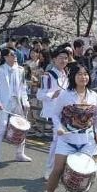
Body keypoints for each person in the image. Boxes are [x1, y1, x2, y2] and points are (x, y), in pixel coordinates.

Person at [43, 62, 97, 192]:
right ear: (73, 77)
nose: (83, 77)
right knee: (57, 169)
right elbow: (55, 115)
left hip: (87, 140)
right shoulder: (65, 95)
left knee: (91, 170)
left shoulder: (94, 95)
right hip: (67, 140)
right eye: (79, 74)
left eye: (85, 74)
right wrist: (59, 128)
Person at [0, 47, 32, 167]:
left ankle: (20, 153)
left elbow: (23, 88)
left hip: (17, 102)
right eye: (12, 55)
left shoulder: (20, 70)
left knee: (22, 127)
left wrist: (25, 102)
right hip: (3, 103)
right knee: (2, 128)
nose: (14, 57)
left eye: (15, 55)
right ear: (5, 57)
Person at [36, 48, 71, 179]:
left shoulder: (66, 74)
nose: (63, 60)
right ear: (54, 59)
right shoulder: (48, 75)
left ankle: (61, 170)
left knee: (64, 141)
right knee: (57, 140)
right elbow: (40, 94)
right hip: (55, 113)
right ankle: (50, 169)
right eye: (61, 57)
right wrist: (52, 94)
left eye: (66, 58)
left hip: (66, 112)